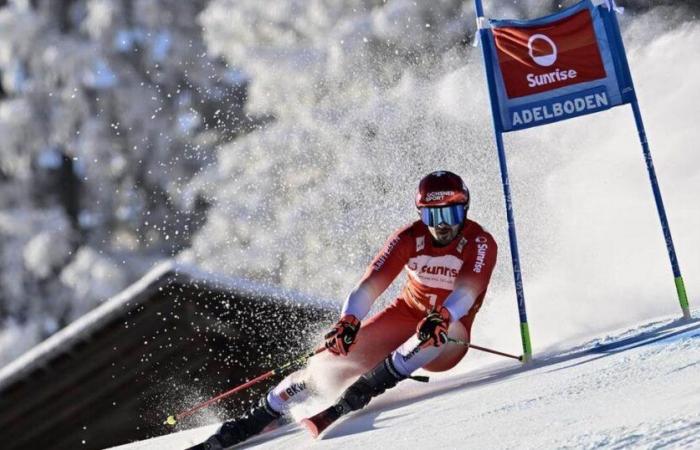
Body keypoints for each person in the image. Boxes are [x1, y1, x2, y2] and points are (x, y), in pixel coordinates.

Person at [190, 170, 498, 449]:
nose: (443, 226)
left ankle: (363, 389)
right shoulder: (410, 237)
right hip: (404, 315)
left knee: (435, 334)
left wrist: (443, 316)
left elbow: (466, 293)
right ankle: (253, 420)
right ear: (421, 215)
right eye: (434, 216)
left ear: (466, 210)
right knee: (329, 360)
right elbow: (369, 285)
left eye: (452, 213)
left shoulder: (480, 242)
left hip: (449, 332)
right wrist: (348, 322)